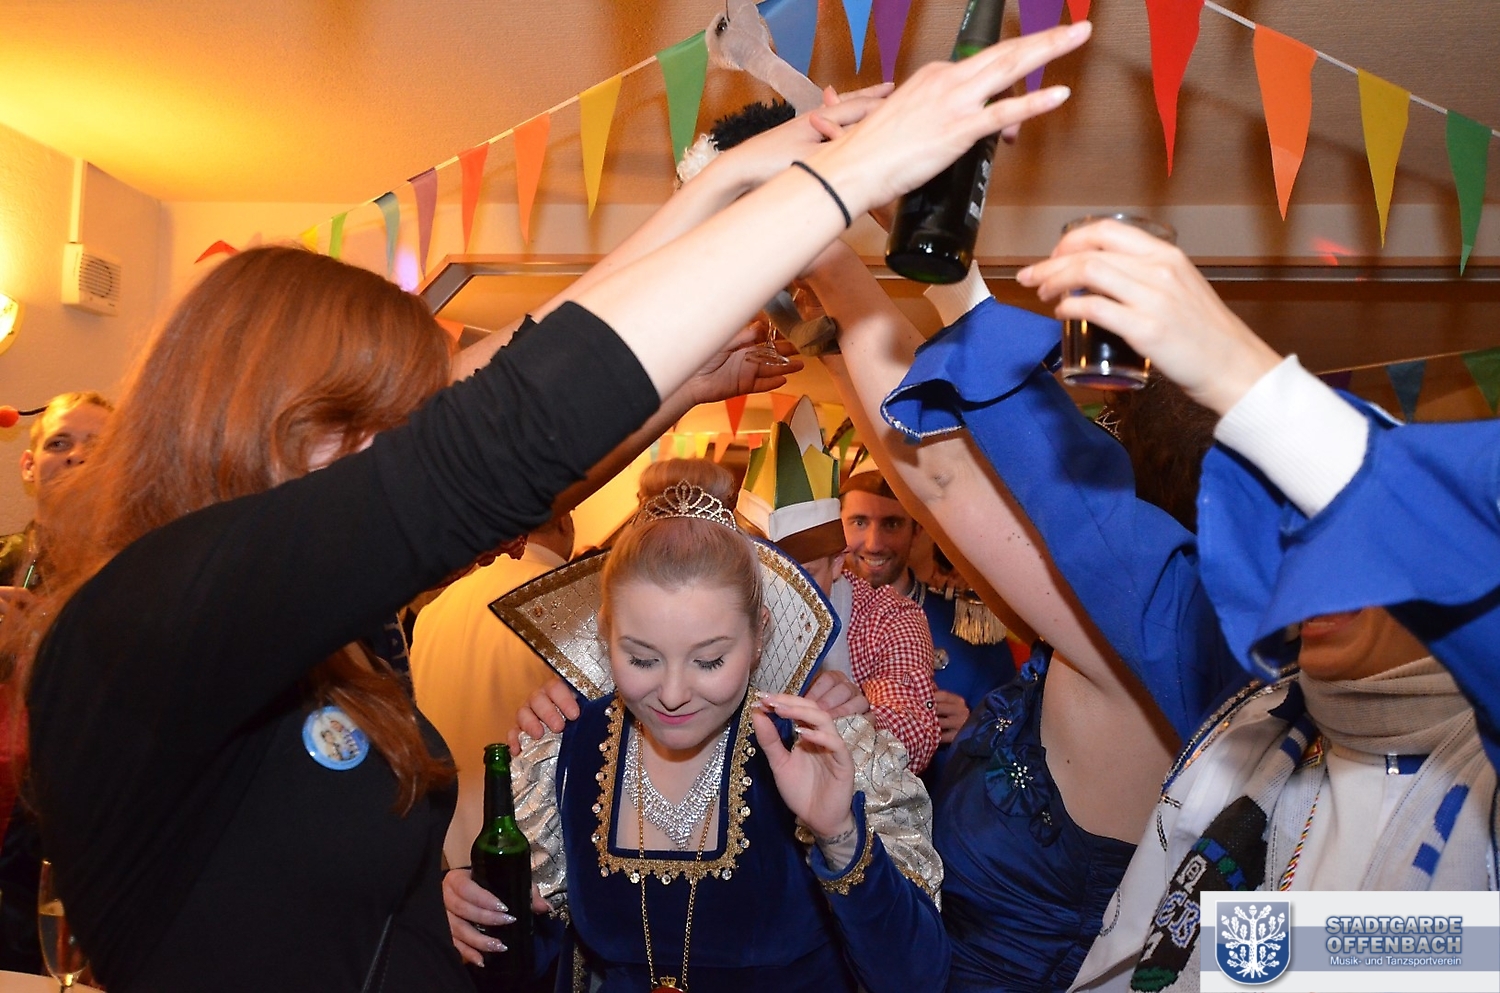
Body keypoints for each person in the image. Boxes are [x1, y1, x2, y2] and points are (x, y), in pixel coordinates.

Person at [8, 23, 1093, 991]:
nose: (394, 453)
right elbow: (483, 447)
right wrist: (841, 185)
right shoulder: (142, 627)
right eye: (370, 427)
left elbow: (485, 427)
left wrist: (717, 191)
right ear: (259, 422)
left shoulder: (311, 634)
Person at [872, 218, 1497, 991]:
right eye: (1292, 541)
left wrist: (1243, 376)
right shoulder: (1255, 695)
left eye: (1356, 544)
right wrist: (956, 287)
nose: (1312, 574)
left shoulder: (1478, 777)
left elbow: (1425, 954)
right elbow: (1083, 518)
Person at [446, 482, 947, 990]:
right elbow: (533, 958)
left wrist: (840, 836)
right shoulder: (565, 753)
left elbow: (915, 978)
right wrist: (469, 913)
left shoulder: (824, 751)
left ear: (759, 636)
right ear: (605, 634)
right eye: (642, 658)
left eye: (709, 661)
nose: (672, 694)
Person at [0, 390, 111, 977]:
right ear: (28, 464)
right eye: (60, 442)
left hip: (76, 859)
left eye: (99, 446)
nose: (76, 456)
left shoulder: (148, 581)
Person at [410, 513, 576, 867]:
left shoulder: (432, 612)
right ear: (564, 520)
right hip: (535, 849)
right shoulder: (567, 594)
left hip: (446, 849)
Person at [839, 468, 1016, 787]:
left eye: (892, 524)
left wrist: (976, 729)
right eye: (859, 522)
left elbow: (1020, 748)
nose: (874, 543)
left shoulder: (970, 626)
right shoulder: (812, 619)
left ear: (917, 529)